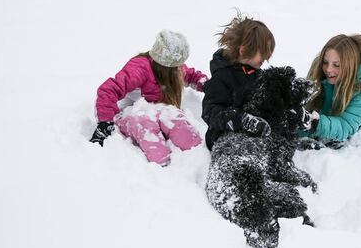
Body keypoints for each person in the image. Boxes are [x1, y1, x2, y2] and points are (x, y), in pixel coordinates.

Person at [90, 29, 208, 166]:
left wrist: (206, 84)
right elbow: (108, 89)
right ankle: (163, 167)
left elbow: (191, 75)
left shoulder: (174, 69)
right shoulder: (139, 68)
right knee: (145, 123)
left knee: (177, 121)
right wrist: (105, 122)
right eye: (174, 67)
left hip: (157, 110)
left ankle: (197, 159)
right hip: (130, 113)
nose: (178, 70)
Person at [201, 13, 277, 150]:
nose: (266, 58)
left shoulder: (258, 75)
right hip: (223, 135)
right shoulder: (222, 76)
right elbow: (210, 111)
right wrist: (238, 119)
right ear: (244, 50)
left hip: (252, 132)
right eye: (263, 53)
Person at [300, 34, 361, 143]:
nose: (328, 69)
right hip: (334, 110)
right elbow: (308, 104)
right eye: (325, 62)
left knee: (335, 137)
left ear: (349, 66)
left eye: (336, 65)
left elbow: (346, 125)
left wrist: (316, 124)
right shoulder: (319, 69)